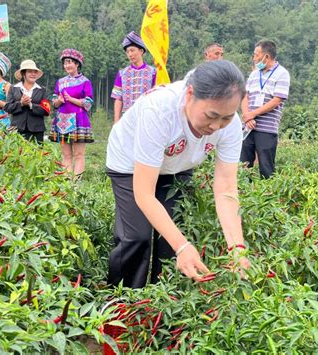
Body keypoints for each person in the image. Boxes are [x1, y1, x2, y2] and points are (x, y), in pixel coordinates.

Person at [106, 60, 251, 288]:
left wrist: (237, 249)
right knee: (137, 238)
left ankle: (160, 304)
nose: (216, 126)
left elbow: (226, 190)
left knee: (170, 244)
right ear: (190, 94)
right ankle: (122, 302)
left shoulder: (230, 126)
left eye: (226, 118)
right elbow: (144, 194)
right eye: (211, 115)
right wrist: (183, 247)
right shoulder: (160, 110)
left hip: (176, 166)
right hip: (129, 164)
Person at [240, 40, 290, 179]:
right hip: (248, 127)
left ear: (266, 57)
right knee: (243, 166)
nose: (254, 58)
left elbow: (277, 100)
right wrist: (247, 116)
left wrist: (253, 114)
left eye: (256, 55)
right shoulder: (254, 74)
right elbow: (245, 96)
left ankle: (268, 196)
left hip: (266, 129)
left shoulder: (282, 73)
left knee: (266, 167)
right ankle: (244, 195)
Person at [50, 48, 94, 178]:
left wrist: (72, 100)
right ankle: (67, 183)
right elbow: (54, 103)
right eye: (65, 63)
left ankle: (76, 184)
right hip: (63, 120)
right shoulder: (61, 82)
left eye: (70, 62)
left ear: (77, 64)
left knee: (79, 155)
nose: (67, 65)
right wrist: (58, 100)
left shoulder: (85, 82)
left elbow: (88, 103)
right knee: (66, 155)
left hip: (79, 119)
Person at [111, 31, 157, 123]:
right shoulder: (122, 74)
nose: (130, 54)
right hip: (127, 119)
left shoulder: (153, 73)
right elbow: (118, 99)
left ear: (141, 51)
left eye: (132, 50)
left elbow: (157, 98)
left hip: (147, 119)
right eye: (127, 52)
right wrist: (116, 122)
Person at [4, 60, 51, 144]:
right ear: (23, 73)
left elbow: (46, 110)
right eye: (30, 71)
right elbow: (7, 107)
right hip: (17, 129)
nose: (33, 74)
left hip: (36, 130)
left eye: (35, 72)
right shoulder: (14, 88)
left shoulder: (42, 90)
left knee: (36, 155)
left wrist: (31, 105)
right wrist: (21, 103)